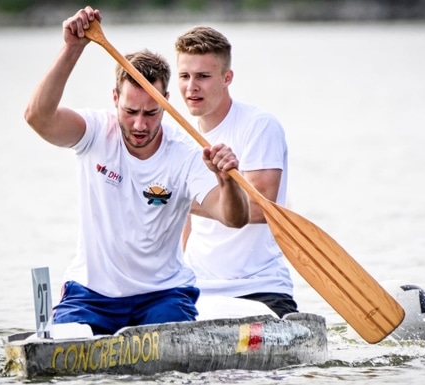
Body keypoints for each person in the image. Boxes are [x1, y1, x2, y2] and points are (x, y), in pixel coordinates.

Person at [23, 6, 249, 335]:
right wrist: (73, 48)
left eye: (151, 112)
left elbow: (234, 218)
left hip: (162, 296)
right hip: (91, 295)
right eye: (130, 111)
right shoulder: (95, 133)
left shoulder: (186, 154)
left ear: (167, 102)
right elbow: (37, 117)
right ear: (115, 98)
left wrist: (226, 181)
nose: (140, 124)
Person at [176, 26, 298, 318]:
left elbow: (260, 209)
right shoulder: (179, 137)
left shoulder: (258, 126)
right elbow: (185, 225)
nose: (192, 86)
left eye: (203, 76)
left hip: (259, 288)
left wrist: (177, 197)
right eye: (184, 76)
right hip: (197, 290)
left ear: (227, 78)